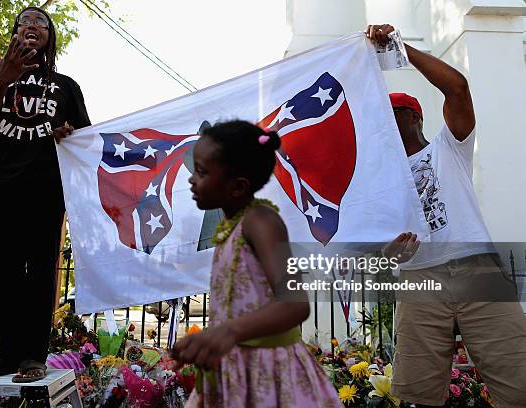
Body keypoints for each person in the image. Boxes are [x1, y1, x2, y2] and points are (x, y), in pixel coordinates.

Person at [367, 24, 526, 407]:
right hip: (420, 280)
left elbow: (457, 87)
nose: (385, 123)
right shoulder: (379, 183)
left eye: (393, 113)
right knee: (417, 395)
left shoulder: (448, 148)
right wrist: (392, 252)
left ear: (414, 116)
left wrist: (401, 49)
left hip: (477, 270)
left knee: (519, 383)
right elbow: (380, 252)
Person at [172, 121, 343, 407]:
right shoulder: (230, 227)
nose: (192, 179)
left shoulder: (262, 221)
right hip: (234, 371)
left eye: (201, 172)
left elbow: (294, 303)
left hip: (268, 372)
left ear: (237, 186)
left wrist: (229, 331)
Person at [0, 7, 90, 382]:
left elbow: (87, 139)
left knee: (39, 269)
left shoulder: (67, 86)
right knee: (5, 270)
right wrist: (5, 77)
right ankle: (5, 355)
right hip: (3, 184)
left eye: (41, 23)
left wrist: (67, 132)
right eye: (26, 22)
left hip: (47, 186)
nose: (33, 26)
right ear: (16, 34)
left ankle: (34, 358)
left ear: (50, 37)